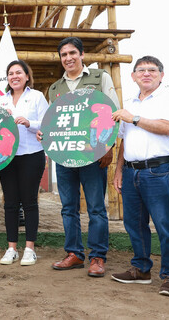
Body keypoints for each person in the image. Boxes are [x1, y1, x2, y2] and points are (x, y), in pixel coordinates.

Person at [37, 37, 120, 277]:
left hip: (94, 153)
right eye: (64, 54)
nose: (68, 58)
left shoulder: (100, 77)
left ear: (82, 55)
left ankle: (97, 257)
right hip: (64, 156)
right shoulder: (55, 88)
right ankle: (74, 253)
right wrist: (45, 132)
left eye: (73, 53)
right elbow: (53, 122)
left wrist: (109, 146)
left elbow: (113, 114)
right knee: (68, 208)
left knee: (96, 208)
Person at [110, 56, 169, 297]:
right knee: (134, 223)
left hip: (159, 170)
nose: (146, 73)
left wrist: (134, 118)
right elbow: (124, 140)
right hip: (131, 171)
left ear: (161, 75)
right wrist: (119, 169)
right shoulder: (130, 102)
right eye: (140, 70)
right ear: (133, 77)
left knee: (165, 224)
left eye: (152, 70)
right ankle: (141, 269)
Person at [0, 60, 48, 266]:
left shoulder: (37, 97)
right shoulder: (1, 101)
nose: (14, 76)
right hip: (6, 157)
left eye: (18, 72)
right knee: (10, 203)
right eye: (10, 73)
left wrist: (29, 123)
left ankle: (29, 249)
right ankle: (11, 248)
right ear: (7, 78)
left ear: (27, 76)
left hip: (31, 154)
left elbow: (47, 124)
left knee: (30, 202)